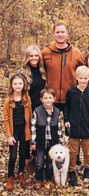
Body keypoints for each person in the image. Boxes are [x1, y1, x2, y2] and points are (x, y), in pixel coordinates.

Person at [64, 65, 89, 186]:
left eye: (85, 78)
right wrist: (67, 120)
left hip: (87, 128)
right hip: (74, 127)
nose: (83, 80)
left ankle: (88, 169)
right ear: (76, 78)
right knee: (73, 152)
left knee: (87, 151)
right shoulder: (71, 92)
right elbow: (67, 107)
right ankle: (72, 172)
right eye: (81, 78)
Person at [42, 22, 84, 114]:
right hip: (50, 98)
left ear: (67, 34)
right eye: (57, 32)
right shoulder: (45, 52)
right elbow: (38, 71)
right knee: (51, 128)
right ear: (53, 34)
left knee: (70, 127)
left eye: (62, 32)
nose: (60, 34)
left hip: (71, 98)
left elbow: (84, 74)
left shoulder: (76, 53)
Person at [19, 45, 46, 174]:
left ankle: (35, 159)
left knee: (39, 133)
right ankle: (25, 159)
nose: (34, 58)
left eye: (36, 55)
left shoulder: (42, 70)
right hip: (26, 108)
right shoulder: (22, 72)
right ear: (27, 57)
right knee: (27, 134)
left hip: (40, 108)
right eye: (31, 56)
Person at [3, 74, 32, 191]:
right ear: (11, 85)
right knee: (13, 155)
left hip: (24, 131)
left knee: (23, 154)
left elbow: (29, 117)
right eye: (15, 84)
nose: (18, 86)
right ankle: (10, 175)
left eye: (20, 83)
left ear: (23, 85)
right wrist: (9, 136)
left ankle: (20, 173)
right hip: (14, 132)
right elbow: (6, 119)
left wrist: (30, 133)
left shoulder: (27, 99)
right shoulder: (8, 101)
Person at [31, 88, 63, 190]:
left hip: (52, 142)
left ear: (54, 99)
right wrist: (33, 142)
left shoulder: (57, 112)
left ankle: (49, 178)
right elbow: (33, 128)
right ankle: (38, 179)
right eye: (45, 98)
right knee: (40, 162)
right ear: (41, 99)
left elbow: (59, 128)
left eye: (50, 98)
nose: (48, 100)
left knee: (50, 162)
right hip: (40, 141)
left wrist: (60, 142)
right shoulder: (37, 111)